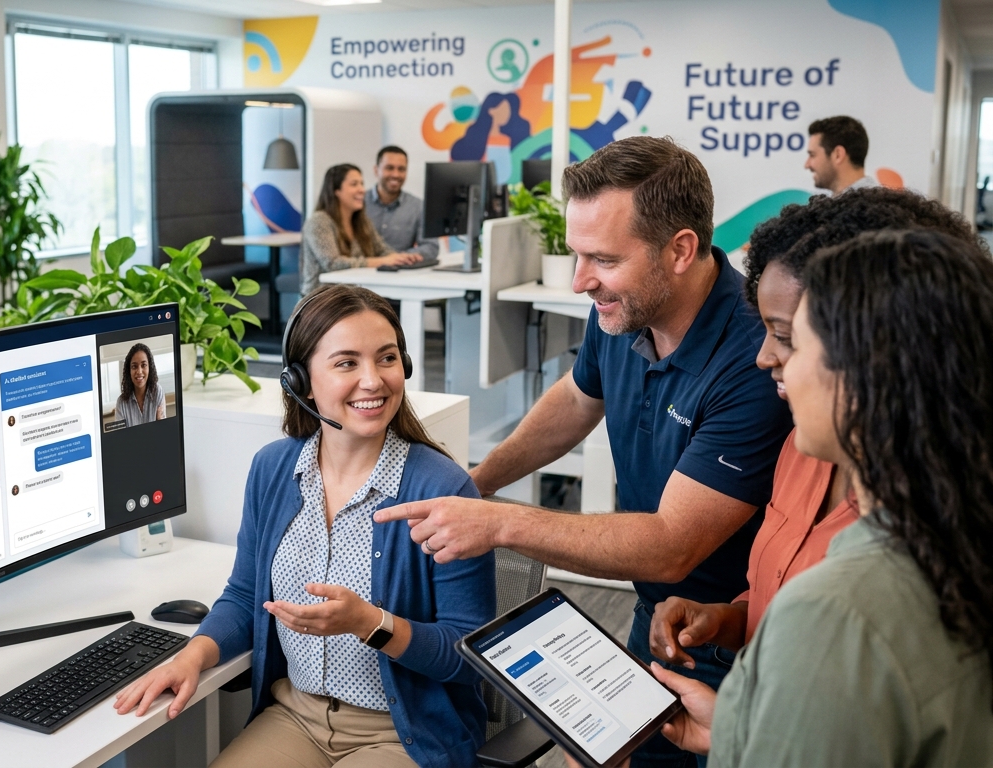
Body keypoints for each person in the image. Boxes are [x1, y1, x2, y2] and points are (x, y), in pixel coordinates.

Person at [373, 136, 793, 767]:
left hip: (732, 628)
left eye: (602, 259)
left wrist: (501, 523)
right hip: (656, 613)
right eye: (576, 255)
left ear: (680, 250)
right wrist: (479, 482)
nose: (580, 281)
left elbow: (671, 544)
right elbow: (575, 399)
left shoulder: (751, 360)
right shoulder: (619, 309)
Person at [114, 285, 495, 768]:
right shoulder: (274, 469)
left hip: (403, 732)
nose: (373, 380)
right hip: (295, 715)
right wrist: (193, 656)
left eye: (387, 358)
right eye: (346, 363)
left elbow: (471, 655)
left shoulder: (442, 487)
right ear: (301, 381)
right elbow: (244, 593)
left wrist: (370, 625)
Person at [651, 229, 993, 765]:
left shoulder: (835, 612)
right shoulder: (951, 537)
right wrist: (741, 728)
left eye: (793, 340)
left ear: (868, 374)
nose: (766, 358)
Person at [300, 164, 422, 295]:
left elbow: (381, 249)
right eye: (354, 184)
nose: (362, 190)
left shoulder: (361, 221)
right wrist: (382, 261)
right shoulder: (319, 221)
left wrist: (401, 258)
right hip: (320, 302)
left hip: (352, 297)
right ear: (336, 190)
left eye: (362, 184)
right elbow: (333, 264)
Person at [364, 147, 438, 261]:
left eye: (401, 169)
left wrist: (399, 258)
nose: (396, 174)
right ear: (376, 170)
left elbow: (430, 246)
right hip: (360, 273)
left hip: (399, 273)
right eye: (389, 168)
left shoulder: (418, 206)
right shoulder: (358, 203)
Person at [804, 115, 876, 195]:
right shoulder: (825, 201)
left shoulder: (875, 205)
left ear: (838, 155)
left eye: (812, 155)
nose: (806, 165)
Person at [113, 343, 165, 426]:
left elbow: (162, 429)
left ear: (149, 368)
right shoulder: (121, 403)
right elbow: (120, 437)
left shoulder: (157, 391)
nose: (139, 371)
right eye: (134, 366)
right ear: (129, 371)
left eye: (143, 365)